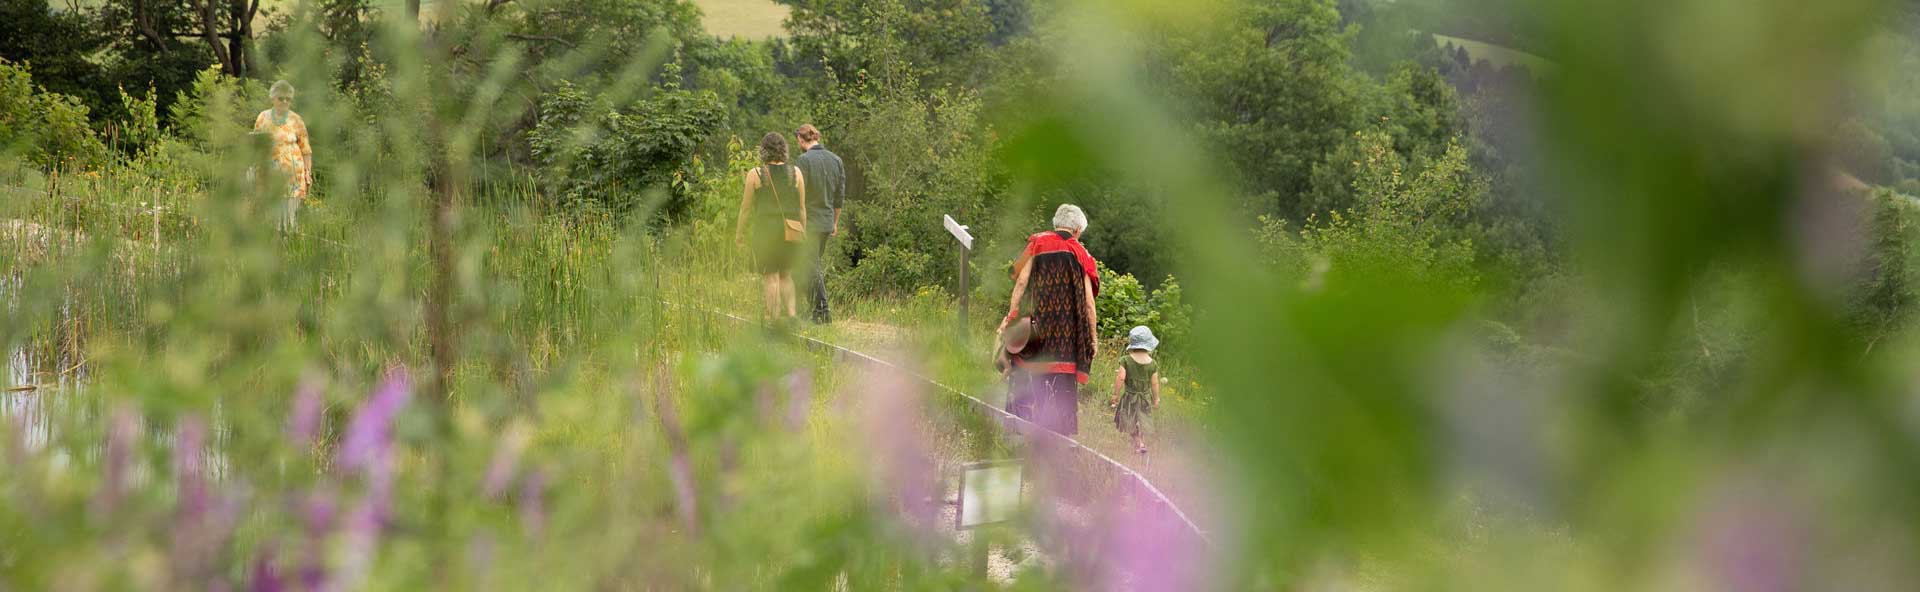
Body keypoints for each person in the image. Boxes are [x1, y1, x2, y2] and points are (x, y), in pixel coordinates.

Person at [997, 204, 1100, 436]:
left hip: (1038, 331)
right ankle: (1056, 444)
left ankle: (1017, 433)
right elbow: (1088, 303)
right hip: (1067, 338)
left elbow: (1021, 282)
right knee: (1060, 389)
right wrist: (1092, 338)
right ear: (1076, 230)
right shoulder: (1081, 254)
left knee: (1025, 374)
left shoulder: (1038, 243)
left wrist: (1011, 316)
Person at [735, 132, 808, 320]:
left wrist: (739, 235)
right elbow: (801, 208)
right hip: (790, 232)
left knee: (771, 276)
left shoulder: (756, 174)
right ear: (784, 150)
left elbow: (745, 209)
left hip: (766, 232)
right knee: (786, 275)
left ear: (763, 150)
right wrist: (803, 231)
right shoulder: (796, 173)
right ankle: (792, 316)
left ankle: (773, 319)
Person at [792, 124, 845, 324]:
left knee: (810, 265)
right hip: (826, 222)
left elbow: (797, 195)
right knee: (810, 265)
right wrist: (835, 222)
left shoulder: (803, 161)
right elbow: (839, 197)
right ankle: (811, 309)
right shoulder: (836, 160)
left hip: (809, 222)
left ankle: (822, 310)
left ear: (800, 139)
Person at [253, 80, 314, 224]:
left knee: (289, 219)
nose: (285, 101)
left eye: (288, 99)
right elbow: (255, 143)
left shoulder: (296, 120)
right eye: (281, 98)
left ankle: (289, 243)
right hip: (268, 175)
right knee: (269, 218)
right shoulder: (262, 117)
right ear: (273, 99)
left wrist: (307, 173)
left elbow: (306, 150)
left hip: (293, 176)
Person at [1110, 326, 1161, 454]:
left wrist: (1115, 394)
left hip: (1129, 397)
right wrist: (1156, 399)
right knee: (1142, 420)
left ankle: (1138, 443)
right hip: (1145, 398)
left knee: (1129, 420)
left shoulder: (1126, 360)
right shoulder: (1152, 363)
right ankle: (1140, 443)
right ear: (1148, 344)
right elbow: (1154, 383)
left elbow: (1121, 378)